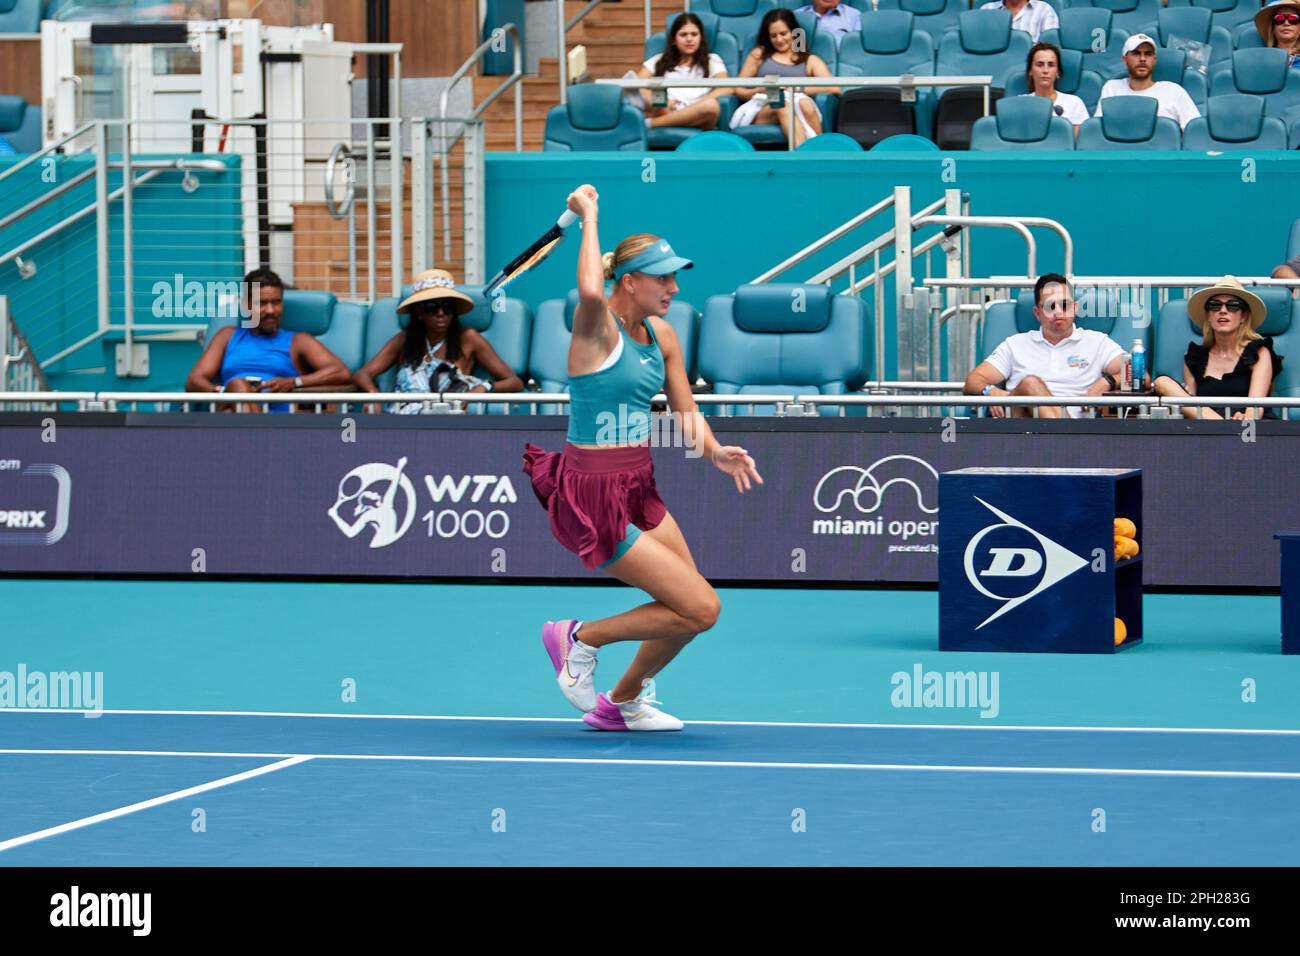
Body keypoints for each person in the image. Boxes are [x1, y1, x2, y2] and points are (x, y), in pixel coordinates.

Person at [523, 184, 762, 732]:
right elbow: (588, 289)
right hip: (592, 493)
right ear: (628, 282)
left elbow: (685, 411)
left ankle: (620, 703)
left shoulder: (664, 334)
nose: (674, 288)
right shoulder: (594, 328)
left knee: (684, 610)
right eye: (663, 278)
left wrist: (715, 451)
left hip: (638, 486)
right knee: (702, 608)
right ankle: (578, 638)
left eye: (676, 277)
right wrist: (588, 216)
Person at [353, 268, 522, 414]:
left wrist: (485, 387)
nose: (441, 313)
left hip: (448, 424)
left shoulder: (468, 339)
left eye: (447, 307)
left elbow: (514, 382)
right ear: (419, 311)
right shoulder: (404, 340)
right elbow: (362, 374)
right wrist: (372, 393)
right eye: (432, 307)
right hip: (402, 422)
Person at [963, 273, 1129, 418]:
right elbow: (973, 381)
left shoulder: (1097, 342)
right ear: (1037, 313)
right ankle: (1065, 439)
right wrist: (991, 392)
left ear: (1075, 308)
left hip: (1080, 428)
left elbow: (1138, 374)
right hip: (1023, 428)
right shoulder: (1015, 344)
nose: (1058, 311)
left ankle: (1063, 438)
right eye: (1050, 306)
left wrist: (1107, 382)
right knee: (1030, 384)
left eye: (1065, 305)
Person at [186, 268, 351, 412]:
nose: (271, 310)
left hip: (279, 421)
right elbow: (194, 380)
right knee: (237, 385)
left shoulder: (298, 341)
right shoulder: (227, 336)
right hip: (230, 414)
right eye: (262, 303)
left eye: (276, 302)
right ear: (247, 305)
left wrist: (294, 382)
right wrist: (225, 392)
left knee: (238, 387)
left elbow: (340, 372)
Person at [1153, 276, 1283, 420]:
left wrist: (1243, 420)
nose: (1223, 311)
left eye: (1232, 306)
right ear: (1208, 315)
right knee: (1162, 382)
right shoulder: (1195, 357)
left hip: (1250, 431)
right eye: (1215, 305)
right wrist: (1220, 427)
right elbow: (1190, 409)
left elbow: (1254, 411)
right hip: (1208, 431)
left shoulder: (1259, 352)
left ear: (1243, 316)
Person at [730, 8, 838, 148]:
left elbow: (834, 88)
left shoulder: (809, 60)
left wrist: (794, 89)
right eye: (773, 36)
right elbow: (738, 88)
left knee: (806, 105)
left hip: (798, 104)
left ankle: (820, 149)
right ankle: (803, 158)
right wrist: (760, 89)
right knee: (781, 106)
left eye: (783, 34)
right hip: (764, 110)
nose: (779, 40)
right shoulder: (759, 54)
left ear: (794, 33)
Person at [634, 13, 730, 132]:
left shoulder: (712, 59)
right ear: (674, 39)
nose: (689, 39)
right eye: (683, 35)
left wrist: (699, 104)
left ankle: (651, 124)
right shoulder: (659, 59)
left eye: (694, 34)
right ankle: (671, 119)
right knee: (652, 96)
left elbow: (726, 87)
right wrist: (665, 101)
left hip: (699, 113)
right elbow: (635, 85)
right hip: (667, 109)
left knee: (711, 106)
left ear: (701, 38)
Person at [1094, 34, 1201, 130]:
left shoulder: (1174, 91)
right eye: (1136, 53)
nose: (1142, 59)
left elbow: (1195, 131)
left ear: (1154, 60)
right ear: (1125, 59)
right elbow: (1098, 130)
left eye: (1148, 54)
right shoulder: (1112, 88)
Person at [1025, 42, 1090, 134]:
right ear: (1030, 71)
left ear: (1058, 72)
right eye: (1039, 65)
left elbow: (1080, 143)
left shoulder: (1074, 103)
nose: (1045, 70)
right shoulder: (1021, 103)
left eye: (1051, 65)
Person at [978, 0, 1059, 44]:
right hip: (994, 63)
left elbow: (1050, 50)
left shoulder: (1044, 10)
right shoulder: (986, 9)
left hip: (1029, 67)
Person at [1256, 1, 1300, 68]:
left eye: (1293, 19)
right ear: (1273, 28)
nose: (1286, 23)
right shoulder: (1261, 59)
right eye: (1279, 19)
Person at [795, 0, 862, 42]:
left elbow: (857, 51)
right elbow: (797, 50)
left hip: (844, 62)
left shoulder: (854, 15)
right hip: (806, 62)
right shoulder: (796, 16)